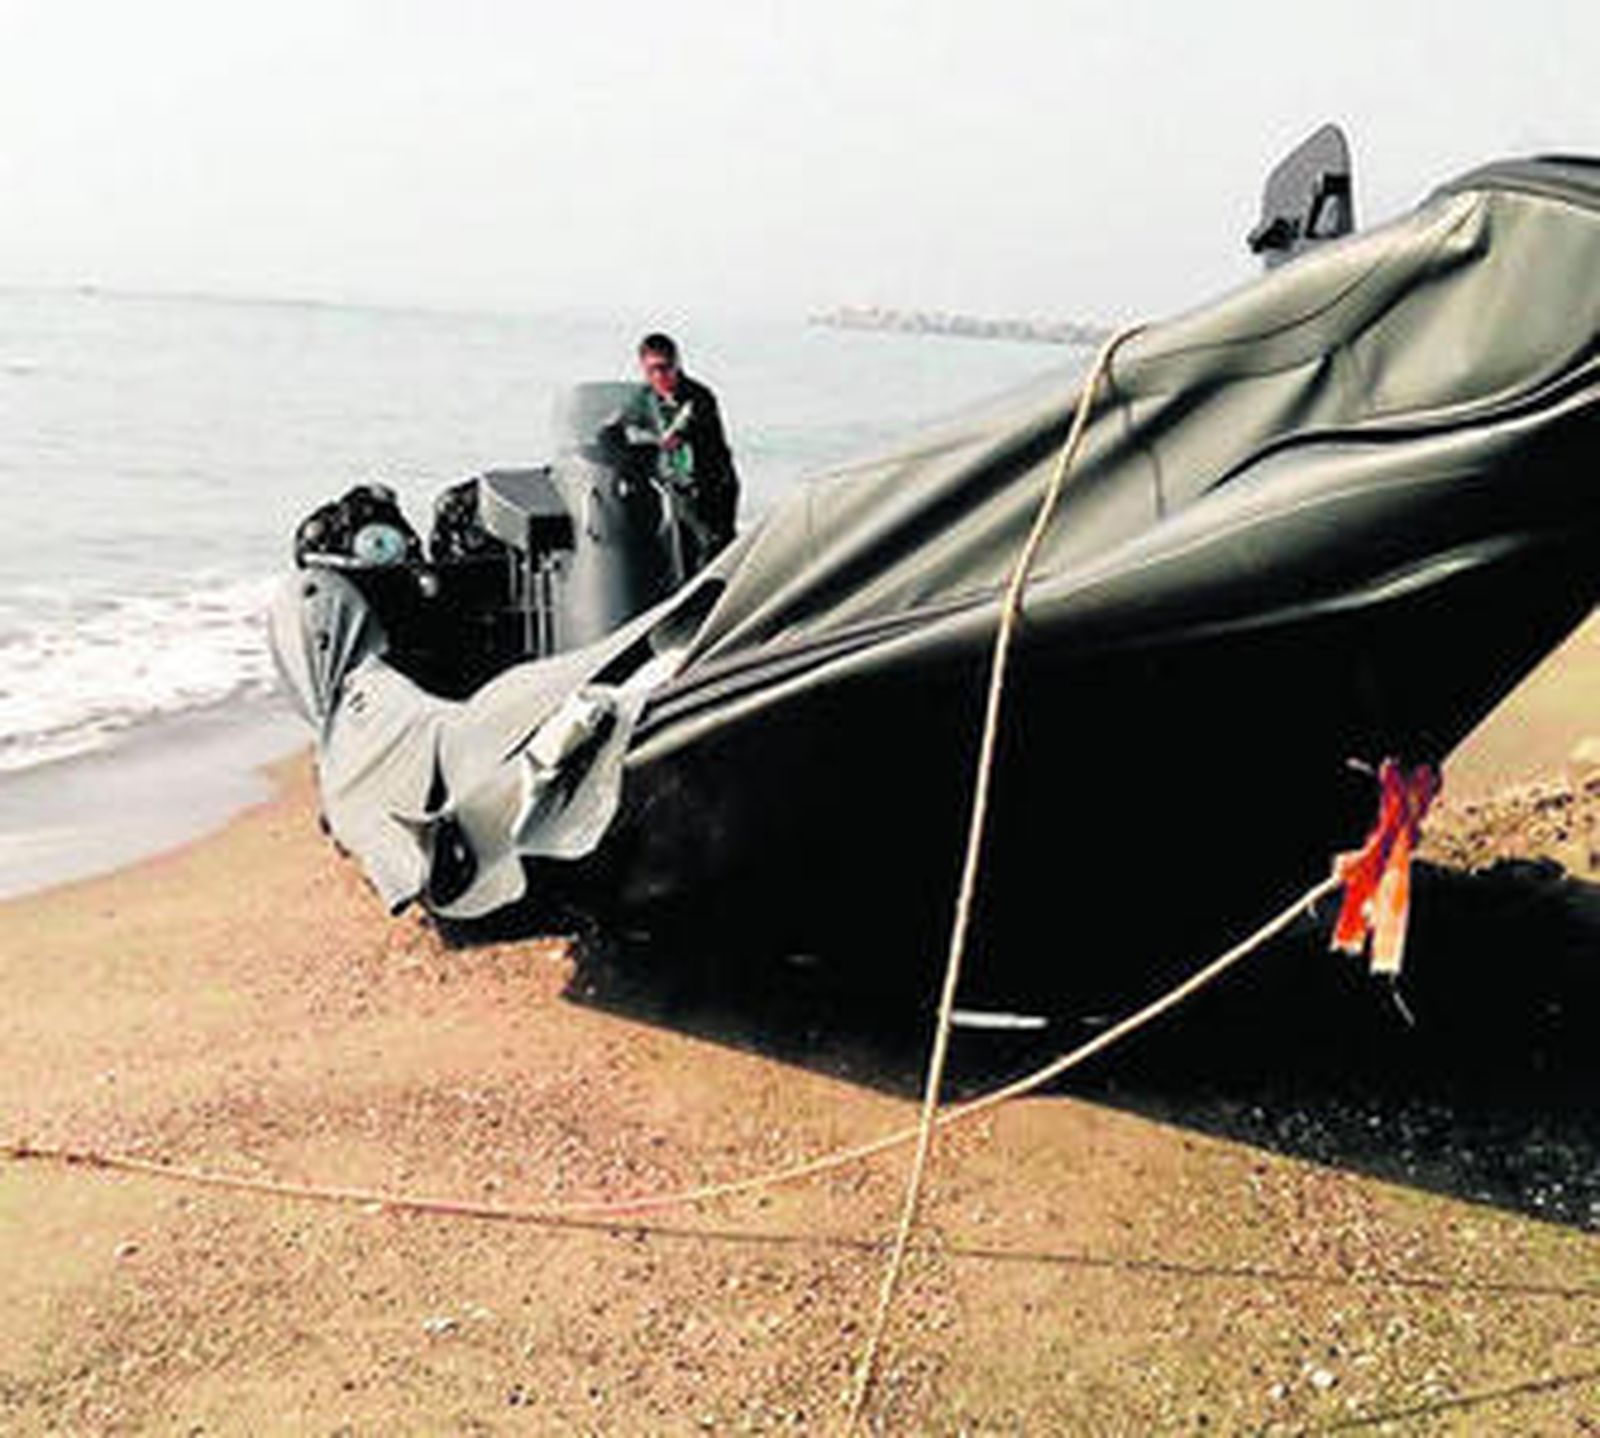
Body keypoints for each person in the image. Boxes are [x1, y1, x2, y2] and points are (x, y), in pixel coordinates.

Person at [627, 332, 740, 578]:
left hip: (713, 488)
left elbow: (680, 428)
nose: (659, 376)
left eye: (664, 368)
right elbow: (622, 421)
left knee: (715, 553)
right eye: (651, 370)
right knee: (683, 557)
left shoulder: (698, 397)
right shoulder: (647, 397)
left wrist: (663, 437)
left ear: (677, 363)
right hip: (679, 488)